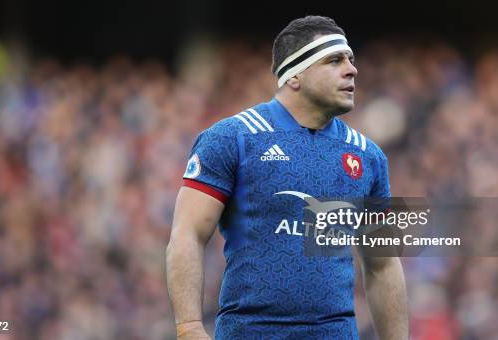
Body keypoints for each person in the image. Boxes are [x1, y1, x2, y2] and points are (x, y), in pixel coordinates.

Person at [167, 15, 408, 339]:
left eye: (351, 60)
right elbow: (188, 234)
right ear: (295, 75)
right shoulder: (233, 138)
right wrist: (189, 327)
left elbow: (383, 265)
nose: (352, 69)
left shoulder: (368, 157)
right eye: (334, 60)